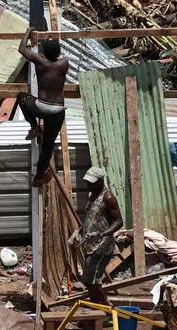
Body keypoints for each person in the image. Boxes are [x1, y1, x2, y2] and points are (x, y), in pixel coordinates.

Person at [17, 29, 69, 188]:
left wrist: (27, 32)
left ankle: (34, 127)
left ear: (44, 52)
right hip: (58, 111)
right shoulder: (64, 63)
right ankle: (38, 177)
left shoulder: (40, 61)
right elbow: (57, 58)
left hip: (41, 107)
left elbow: (22, 49)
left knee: (21, 98)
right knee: (47, 146)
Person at [70, 167, 123, 305]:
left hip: (102, 246)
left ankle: (107, 308)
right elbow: (90, 218)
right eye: (88, 182)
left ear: (100, 181)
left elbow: (119, 222)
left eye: (92, 182)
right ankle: (96, 312)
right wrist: (78, 231)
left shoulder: (108, 198)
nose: (88, 185)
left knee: (91, 280)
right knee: (88, 281)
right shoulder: (91, 196)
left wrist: (101, 234)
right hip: (90, 245)